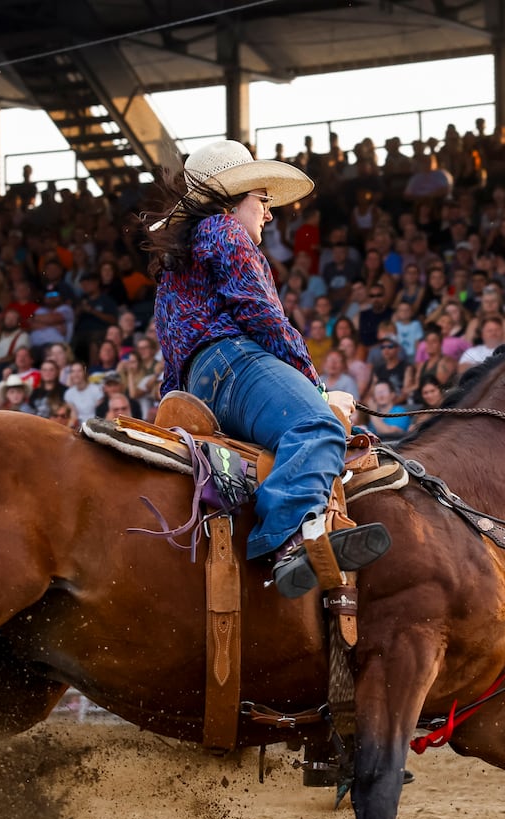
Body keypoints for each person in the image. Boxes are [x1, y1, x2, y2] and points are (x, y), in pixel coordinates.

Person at [144, 140, 389, 599]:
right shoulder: (223, 230)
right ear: (233, 198)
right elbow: (262, 315)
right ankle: (291, 541)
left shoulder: (174, 267)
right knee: (317, 427)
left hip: (200, 384)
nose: (269, 214)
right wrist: (317, 390)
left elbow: (173, 357)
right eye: (262, 199)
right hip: (235, 362)